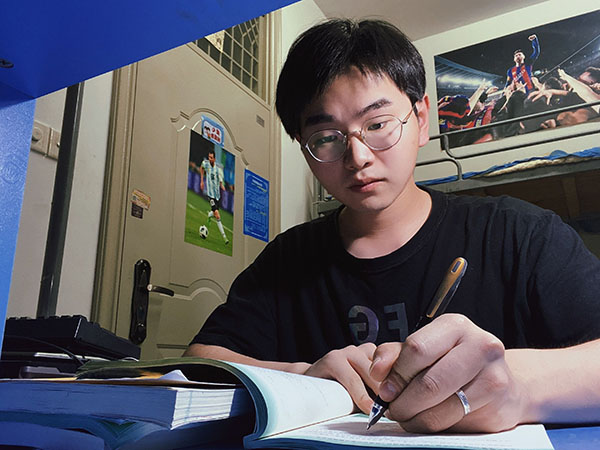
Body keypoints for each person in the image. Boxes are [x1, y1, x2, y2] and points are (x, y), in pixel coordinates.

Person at [185, 18, 600, 434]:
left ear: (421, 119)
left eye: (378, 124)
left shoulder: (520, 235)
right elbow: (200, 361)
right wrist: (301, 376)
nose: (358, 157)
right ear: (304, 148)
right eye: (326, 137)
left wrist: (517, 388)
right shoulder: (286, 259)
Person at [200, 149, 229, 244]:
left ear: (215, 159)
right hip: (210, 195)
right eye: (209, 157)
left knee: (214, 213)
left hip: (217, 196)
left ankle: (209, 215)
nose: (210, 159)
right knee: (217, 215)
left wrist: (222, 186)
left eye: (211, 158)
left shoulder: (218, 170)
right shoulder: (206, 164)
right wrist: (201, 181)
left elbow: (220, 181)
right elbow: (201, 168)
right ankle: (225, 238)